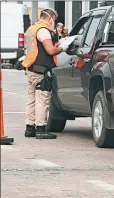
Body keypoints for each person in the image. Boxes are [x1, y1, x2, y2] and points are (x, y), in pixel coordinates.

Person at [22, 8, 72, 139]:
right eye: (53, 20)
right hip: (41, 70)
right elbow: (50, 50)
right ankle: (41, 129)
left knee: (31, 99)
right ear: (50, 18)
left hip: (31, 68)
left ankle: (29, 128)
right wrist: (63, 48)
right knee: (42, 99)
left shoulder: (32, 29)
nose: (53, 22)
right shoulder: (43, 31)